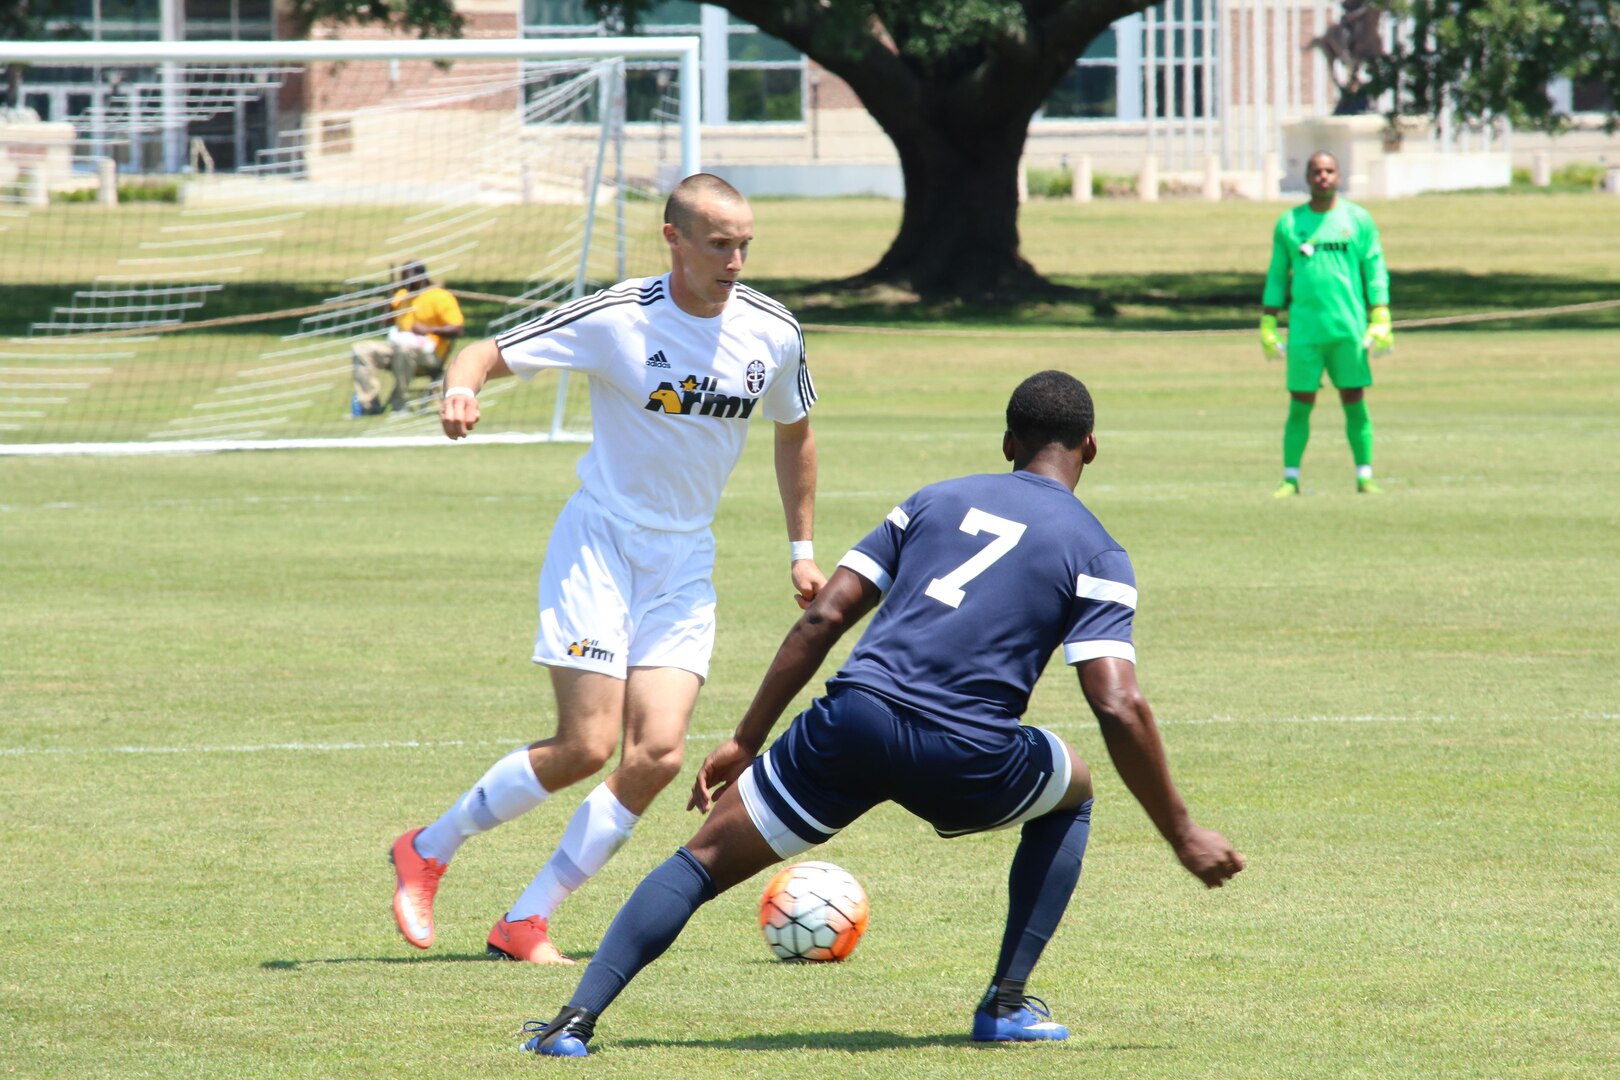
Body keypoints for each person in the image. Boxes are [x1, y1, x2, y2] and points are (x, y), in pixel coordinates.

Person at [519, 369, 1246, 1057]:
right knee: (1073, 790)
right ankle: (1005, 1003)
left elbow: (823, 617)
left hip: (855, 720)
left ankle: (571, 1023)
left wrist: (746, 739)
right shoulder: (1098, 551)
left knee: (702, 861)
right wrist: (1180, 832)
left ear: (1007, 444)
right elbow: (1117, 703)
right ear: (1090, 447)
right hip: (967, 753)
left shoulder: (933, 501)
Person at [389, 173, 824, 966]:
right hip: (601, 543)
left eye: (745, 246)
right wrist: (459, 389)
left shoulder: (773, 329)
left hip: (686, 557)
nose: (735, 261)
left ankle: (526, 919)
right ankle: (427, 847)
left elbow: (794, 429)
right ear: (675, 240)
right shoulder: (620, 317)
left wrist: (801, 550)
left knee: (657, 755)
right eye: (719, 244)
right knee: (586, 745)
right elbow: (487, 351)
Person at [1260, 150, 1393, 497]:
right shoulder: (1290, 223)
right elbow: (1277, 275)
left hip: (1348, 327)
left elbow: (1374, 267)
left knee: (1354, 399)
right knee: (1300, 402)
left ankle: (1365, 475)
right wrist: (1268, 322)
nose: (1323, 176)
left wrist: (1380, 314)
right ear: (1307, 177)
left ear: (1339, 176)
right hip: (1305, 330)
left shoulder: (1358, 219)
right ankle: (1290, 478)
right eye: (1317, 171)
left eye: (1329, 170)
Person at [351, 261, 465, 415]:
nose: (405, 282)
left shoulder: (439, 296)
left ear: (420, 277)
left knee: (404, 351)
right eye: (402, 278)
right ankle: (369, 406)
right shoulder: (402, 295)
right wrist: (389, 299)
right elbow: (385, 321)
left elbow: (457, 329)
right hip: (397, 348)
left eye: (408, 278)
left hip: (430, 354)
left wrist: (428, 329)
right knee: (361, 350)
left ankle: (400, 404)